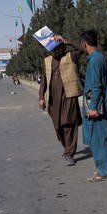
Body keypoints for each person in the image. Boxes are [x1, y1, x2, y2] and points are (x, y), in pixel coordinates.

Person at [38, 35, 84, 166]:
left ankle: (69, 153)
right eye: (54, 48)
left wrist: (66, 40)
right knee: (58, 127)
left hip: (69, 97)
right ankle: (67, 148)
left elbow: (82, 49)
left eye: (59, 47)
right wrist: (41, 97)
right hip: (54, 101)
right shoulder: (46, 61)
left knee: (68, 124)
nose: (56, 50)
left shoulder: (71, 57)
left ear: (63, 48)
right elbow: (43, 82)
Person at [79, 30, 107, 182]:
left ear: (84, 43)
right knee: (106, 138)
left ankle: (104, 171)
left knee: (99, 140)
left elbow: (96, 86)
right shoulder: (101, 57)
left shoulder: (95, 60)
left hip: (98, 109)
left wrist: (93, 108)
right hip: (105, 107)